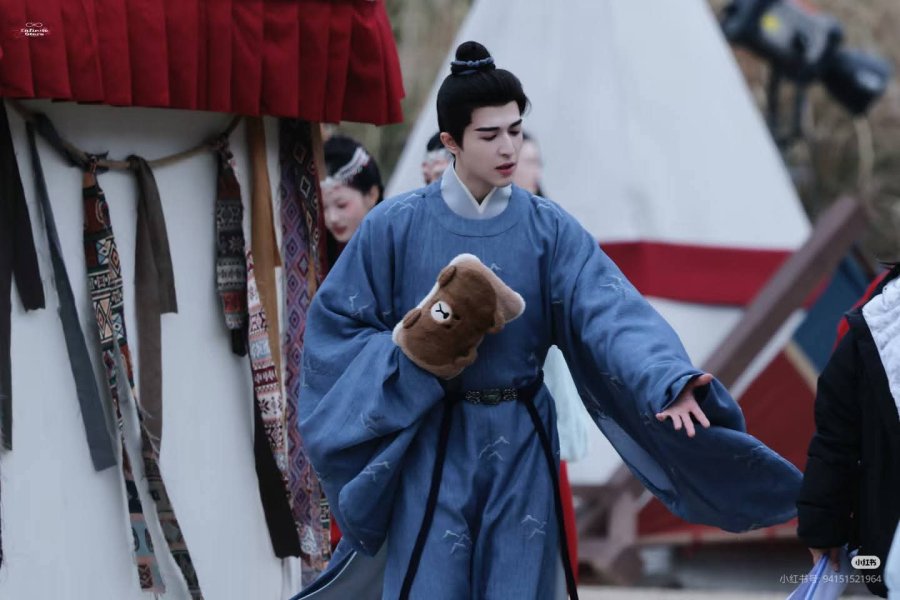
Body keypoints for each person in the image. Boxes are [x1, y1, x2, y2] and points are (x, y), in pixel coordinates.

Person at [294, 41, 800, 600]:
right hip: (434, 439)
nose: (508, 147)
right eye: (490, 135)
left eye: (515, 130)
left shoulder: (549, 229)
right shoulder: (395, 226)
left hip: (521, 441)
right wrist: (415, 350)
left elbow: (610, 311)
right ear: (451, 141)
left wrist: (666, 378)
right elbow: (336, 329)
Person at [797, 263, 900, 598]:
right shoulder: (876, 317)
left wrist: (824, 528)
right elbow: (837, 431)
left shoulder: (877, 312)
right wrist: (824, 526)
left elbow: (836, 433)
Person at [321, 134, 384, 266]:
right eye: (323, 207)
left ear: (372, 195)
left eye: (341, 205)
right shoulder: (319, 256)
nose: (332, 218)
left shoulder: (394, 249)